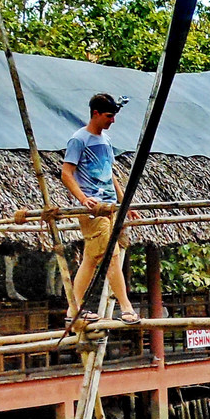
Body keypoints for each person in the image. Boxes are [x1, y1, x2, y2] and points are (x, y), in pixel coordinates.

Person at [61, 92, 141, 325]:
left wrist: (124, 202)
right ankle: (126, 307)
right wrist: (83, 199)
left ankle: (73, 308)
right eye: (108, 116)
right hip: (94, 210)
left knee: (91, 259)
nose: (112, 121)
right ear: (95, 113)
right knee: (111, 255)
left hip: (110, 207)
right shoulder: (79, 139)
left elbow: (110, 174)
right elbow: (66, 173)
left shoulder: (105, 141)